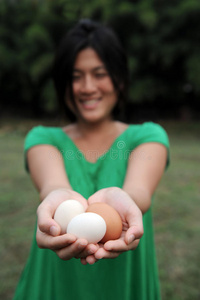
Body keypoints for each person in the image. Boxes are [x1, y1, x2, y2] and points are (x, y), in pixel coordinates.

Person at [13, 19, 170, 300]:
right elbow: (52, 185)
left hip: (124, 286)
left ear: (119, 79)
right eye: (75, 76)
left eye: (99, 73)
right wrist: (58, 199)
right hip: (55, 287)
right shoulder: (42, 139)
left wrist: (125, 200)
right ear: (63, 83)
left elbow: (139, 191)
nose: (87, 87)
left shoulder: (147, 136)